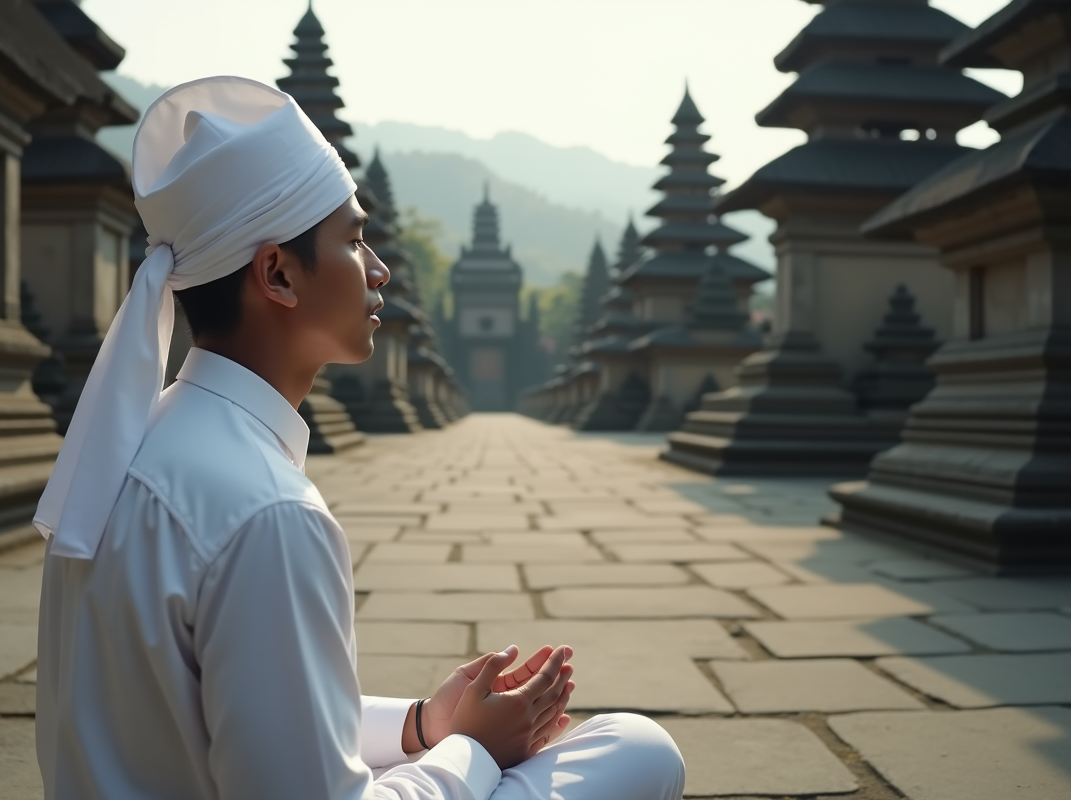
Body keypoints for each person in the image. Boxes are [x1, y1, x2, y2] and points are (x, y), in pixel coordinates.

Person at [34, 76, 685, 800]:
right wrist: (471, 750)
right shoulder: (271, 514)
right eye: (352, 240)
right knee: (639, 748)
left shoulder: (131, 444)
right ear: (277, 274)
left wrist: (422, 725)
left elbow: (239, 717)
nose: (379, 270)